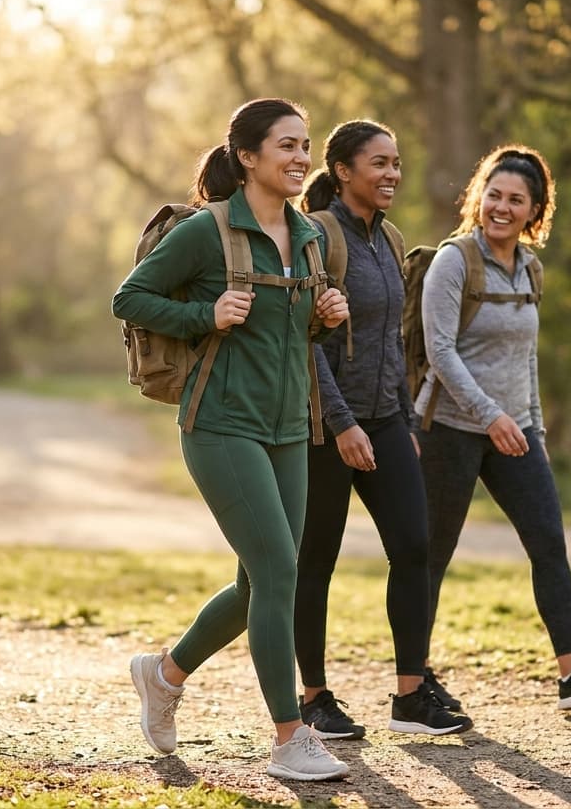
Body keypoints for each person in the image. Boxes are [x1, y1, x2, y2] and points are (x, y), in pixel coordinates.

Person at [112, 98, 352, 781]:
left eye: (305, 145)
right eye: (286, 146)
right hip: (219, 425)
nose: (301, 158)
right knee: (280, 571)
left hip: (287, 429)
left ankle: (164, 674)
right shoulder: (207, 232)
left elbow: (291, 329)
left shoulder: (308, 235)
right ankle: (289, 739)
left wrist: (325, 314)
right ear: (248, 157)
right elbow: (129, 298)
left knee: (260, 585)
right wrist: (203, 314)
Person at [415, 144, 571, 711]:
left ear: (535, 210)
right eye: (494, 195)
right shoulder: (454, 261)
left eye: (516, 200)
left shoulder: (531, 267)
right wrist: (491, 416)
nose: (502, 208)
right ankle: (415, 680)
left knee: (548, 542)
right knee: (433, 554)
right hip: (451, 429)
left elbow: (525, 357)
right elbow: (440, 351)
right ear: (478, 198)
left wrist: (532, 426)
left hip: (516, 431)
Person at [293, 119, 472, 740]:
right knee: (316, 560)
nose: (392, 173)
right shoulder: (317, 236)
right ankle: (313, 697)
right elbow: (306, 342)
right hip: (323, 426)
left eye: (396, 162)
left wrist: (400, 415)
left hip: (386, 420)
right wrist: (341, 423)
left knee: (415, 548)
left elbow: (393, 339)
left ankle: (410, 694)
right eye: (379, 163)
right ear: (343, 171)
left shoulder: (391, 240)